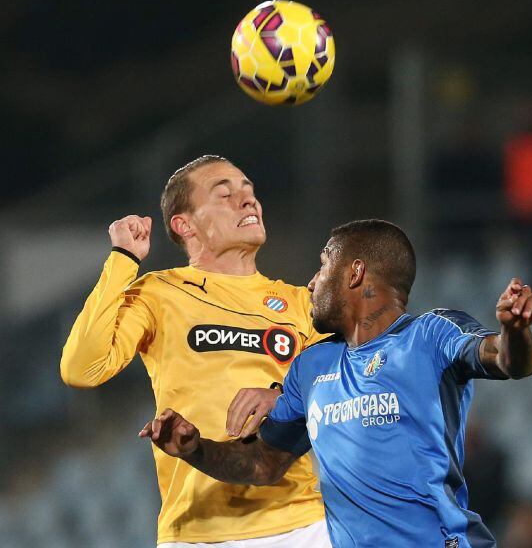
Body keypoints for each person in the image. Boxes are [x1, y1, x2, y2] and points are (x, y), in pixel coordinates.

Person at [140, 219, 532, 547]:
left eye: (322, 265)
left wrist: (515, 332)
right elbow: (263, 464)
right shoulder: (311, 366)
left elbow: (506, 361)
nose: (312, 282)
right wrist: (195, 450)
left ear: (354, 273)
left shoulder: (430, 335)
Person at [60, 155, 331, 547]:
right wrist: (123, 260)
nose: (248, 200)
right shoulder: (159, 292)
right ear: (184, 225)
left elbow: (340, 392)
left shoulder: (301, 303)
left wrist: (282, 398)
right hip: (197, 531)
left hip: (301, 526)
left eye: (250, 192)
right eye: (226, 195)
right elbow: (82, 368)